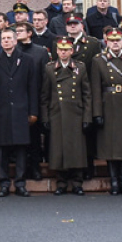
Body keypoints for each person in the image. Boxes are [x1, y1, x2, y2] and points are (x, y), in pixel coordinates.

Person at [0, 28, 40, 197]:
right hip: (1, 111)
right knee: (2, 149)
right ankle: (3, 184)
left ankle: (20, 183)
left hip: (21, 110)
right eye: (3, 39)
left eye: (9, 38)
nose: (6, 41)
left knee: (21, 149)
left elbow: (32, 88)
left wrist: (33, 111)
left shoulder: (27, 60)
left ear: (16, 40)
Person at [91, 29, 122, 195]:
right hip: (108, 104)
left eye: (118, 40)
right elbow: (96, 89)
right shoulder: (99, 61)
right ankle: (114, 181)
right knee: (110, 145)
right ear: (106, 41)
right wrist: (97, 112)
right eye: (112, 40)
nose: (115, 43)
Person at [41, 39, 92, 195]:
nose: (63, 52)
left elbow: (87, 94)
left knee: (77, 149)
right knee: (59, 149)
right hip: (57, 113)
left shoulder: (80, 67)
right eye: (60, 50)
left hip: (76, 113)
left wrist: (87, 117)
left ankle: (77, 182)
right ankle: (61, 182)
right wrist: (45, 117)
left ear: (72, 51)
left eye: (66, 50)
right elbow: (45, 96)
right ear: (57, 51)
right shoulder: (50, 68)